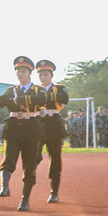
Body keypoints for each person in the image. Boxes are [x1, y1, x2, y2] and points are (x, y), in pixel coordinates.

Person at [0, 56, 46, 211]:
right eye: (18, 71)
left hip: (32, 129)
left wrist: (20, 100)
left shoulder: (38, 90)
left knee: (29, 165)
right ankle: (4, 186)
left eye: (23, 71)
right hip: (13, 128)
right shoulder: (11, 90)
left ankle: (24, 200)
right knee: (8, 159)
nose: (20, 74)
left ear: (29, 73)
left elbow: (42, 100)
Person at [35, 59, 68, 203]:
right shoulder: (34, 89)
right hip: (38, 125)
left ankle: (54, 191)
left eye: (45, 75)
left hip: (54, 125)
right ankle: (29, 182)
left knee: (55, 159)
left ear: (51, 75)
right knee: (33, 155)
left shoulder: (59, 89)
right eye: (40, 75)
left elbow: (64, 98)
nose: (43, 77)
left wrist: (42, 97)